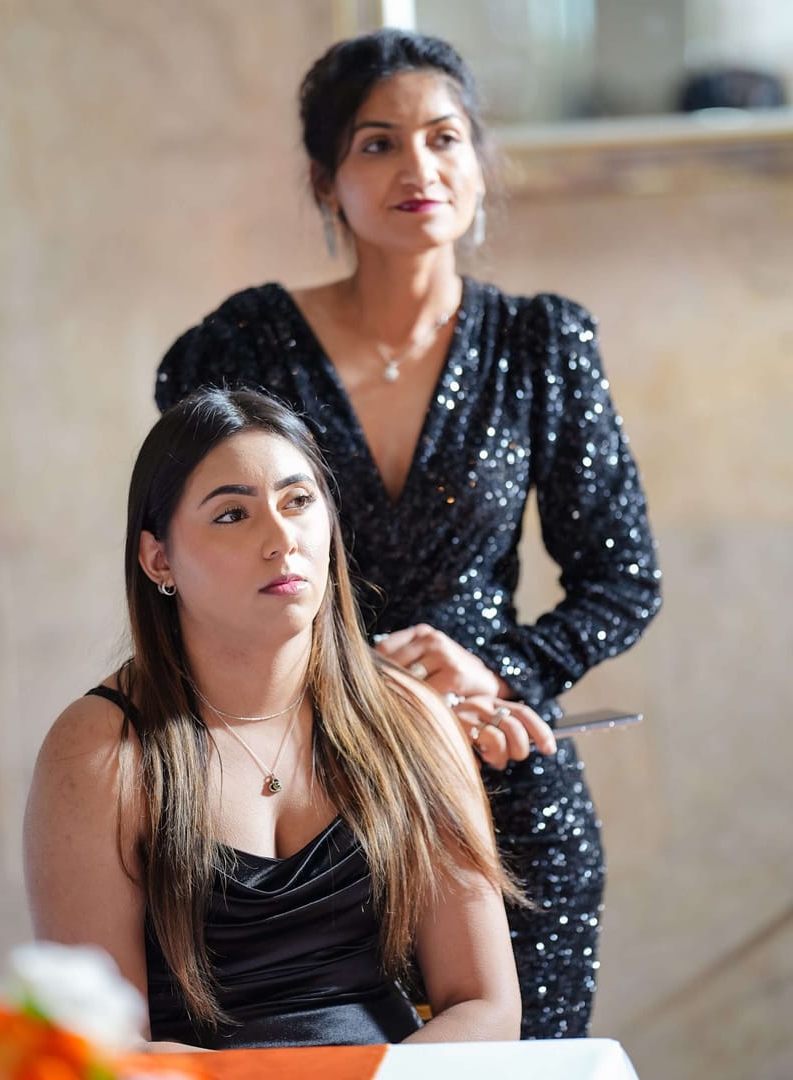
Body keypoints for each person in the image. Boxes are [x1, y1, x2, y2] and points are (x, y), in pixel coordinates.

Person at [155, 29, 662, 1038]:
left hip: (498, 780)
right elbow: (200, 551)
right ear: (325, 180)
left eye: (444, 138)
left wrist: (497, 669)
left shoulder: (542, 342)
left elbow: (623, 578)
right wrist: (350, 679)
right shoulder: (241, 345)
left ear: (479, 161)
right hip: (307, 794)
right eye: (378, 143)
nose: (418, 168)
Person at [23, 387, 531, 1050]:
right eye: (232, 514)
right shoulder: (97, 750)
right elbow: (98, 1047)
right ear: (159, 559)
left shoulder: (411, 719)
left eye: (298, 501)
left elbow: (487, 1006)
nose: (282, 539)